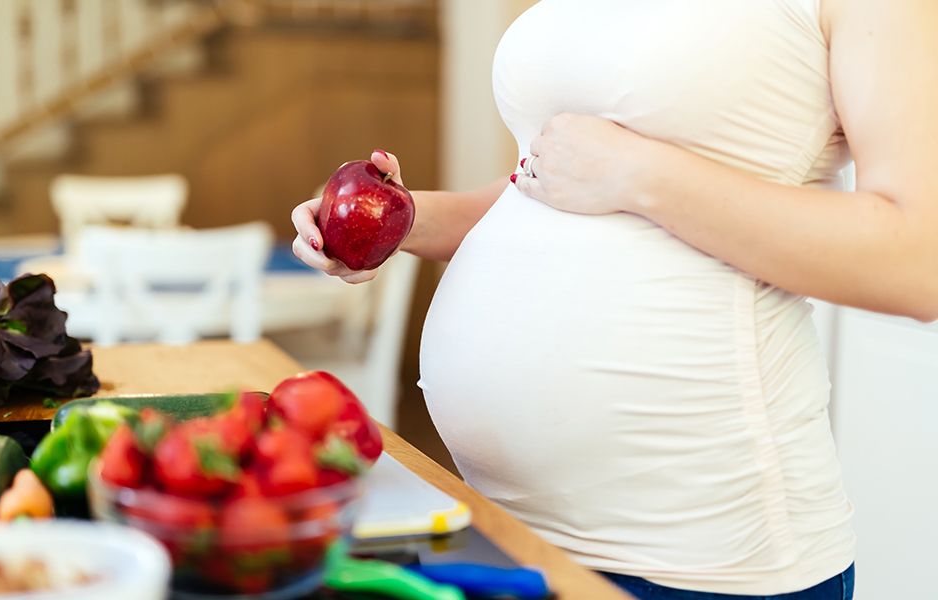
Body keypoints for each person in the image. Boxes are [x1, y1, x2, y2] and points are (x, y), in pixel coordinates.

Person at [292, 1, 938, 598]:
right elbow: (554, 178)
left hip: (699, 561)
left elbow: (915, 263)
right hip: (507, 528)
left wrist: (641, 174)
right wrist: (401, 219)